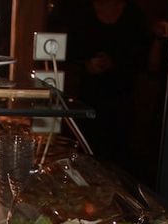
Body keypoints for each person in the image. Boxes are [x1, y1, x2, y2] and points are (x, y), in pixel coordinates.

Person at [64, 0, 152, 171]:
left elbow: (142, 57)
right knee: (86, 155)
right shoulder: (82, 12)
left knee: (118, 159)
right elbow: (68, 52)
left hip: (121, 98)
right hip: (87, 98)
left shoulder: (133, 14)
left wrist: (115, 63)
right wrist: (86, 64)